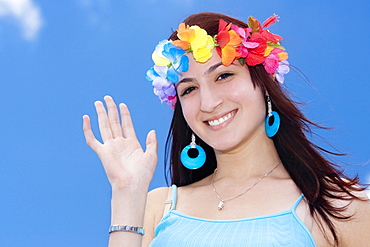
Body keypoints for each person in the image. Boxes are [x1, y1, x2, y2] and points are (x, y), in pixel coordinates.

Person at [82, 12, 370, 247]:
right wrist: (126, 192)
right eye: (190, 89)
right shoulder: (158, 207)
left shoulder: (339, 207)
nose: (208, 103)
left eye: (224, 75)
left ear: (265, 84)